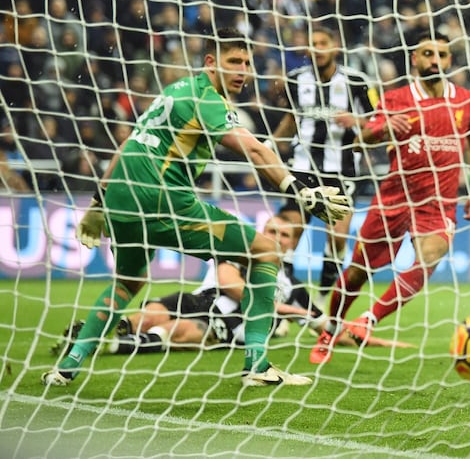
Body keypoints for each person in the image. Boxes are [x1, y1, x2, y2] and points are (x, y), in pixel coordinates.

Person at [42, 27, 351, 389]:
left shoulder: (173, 91)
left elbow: (128, 142)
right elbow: (253, 150)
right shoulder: (208, 98)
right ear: (210, 62)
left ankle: (68, 365)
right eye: (233, 61)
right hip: (163, 199)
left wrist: (98, 204)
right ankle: (258, 365)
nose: (243, 71)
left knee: (128, 281)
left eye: (247, 63)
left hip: (122, 202)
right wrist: (299, 191)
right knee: (266, 253)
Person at [309, 30, 470, 364]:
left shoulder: (465, 100)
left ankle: (367, 321)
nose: (435, 61)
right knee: (358, 273)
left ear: (450, 60)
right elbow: (363, 139)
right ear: (414, 59)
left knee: (428, 260)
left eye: (442, 55)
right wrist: (387, 128)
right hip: (394, 199)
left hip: (437, 206)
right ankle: (331, 329)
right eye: (427, 54)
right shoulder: (396, 99)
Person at [94, 215, 412, 354]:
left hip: (231, 323)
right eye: (271, 231)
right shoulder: (238, 253)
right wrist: (284, 311)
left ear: (291, 245)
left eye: (284, 235)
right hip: (200, 299)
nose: (276, 237)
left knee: (182, 330)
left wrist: (380, 342)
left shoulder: (295, 288)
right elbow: (231, 285)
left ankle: (114, 346)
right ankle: (95, 333)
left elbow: (328, 328)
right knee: (150, 313)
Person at [270, 26, 377, 304]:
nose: (317, 48)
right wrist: (270, 145)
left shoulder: (357, 81)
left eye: (322, 42)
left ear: (335, 46)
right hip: (302, 167)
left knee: (338, 238)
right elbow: (291, 118)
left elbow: (378, 121)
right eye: (312, 43)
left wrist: (358, 121)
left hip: (341, 170)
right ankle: (283, 300)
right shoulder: (294, 80)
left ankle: (321, 297)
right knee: (289, 233)